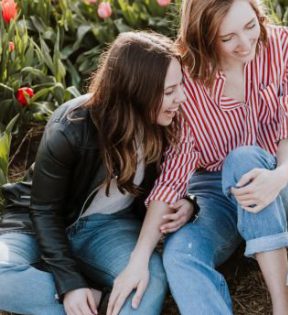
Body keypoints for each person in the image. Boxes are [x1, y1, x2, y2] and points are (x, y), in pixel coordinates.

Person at [108, 0, 288, 314]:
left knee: (243, 160)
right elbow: (175, 173)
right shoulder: (186, 78)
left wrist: (279, 175)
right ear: (203, 36)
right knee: (180, 254)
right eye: (227, 37)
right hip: (214, 193)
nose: (245, 44)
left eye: (250, 26)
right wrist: (139, 257)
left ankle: (284, 307)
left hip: (280, 181)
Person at [0, 31, 194, 315]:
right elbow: (43, 210)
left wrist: (189, 200)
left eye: (180, 86)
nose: (182, 97)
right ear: (135, 92)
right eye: (168, 91)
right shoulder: (71, 127)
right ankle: (94, 301)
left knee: (148, 281)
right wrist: (70, 284)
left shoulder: (169, 123)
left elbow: (182, 173)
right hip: (35, 223)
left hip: (107, 228)